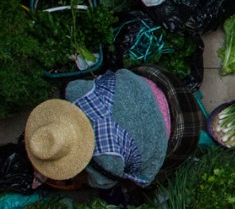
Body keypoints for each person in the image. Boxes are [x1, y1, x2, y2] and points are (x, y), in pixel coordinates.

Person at [24, 69, 171, 189]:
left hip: (161, 124)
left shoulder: (105, 159)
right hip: (142, 85)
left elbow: (103, 182)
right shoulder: (75, 93)